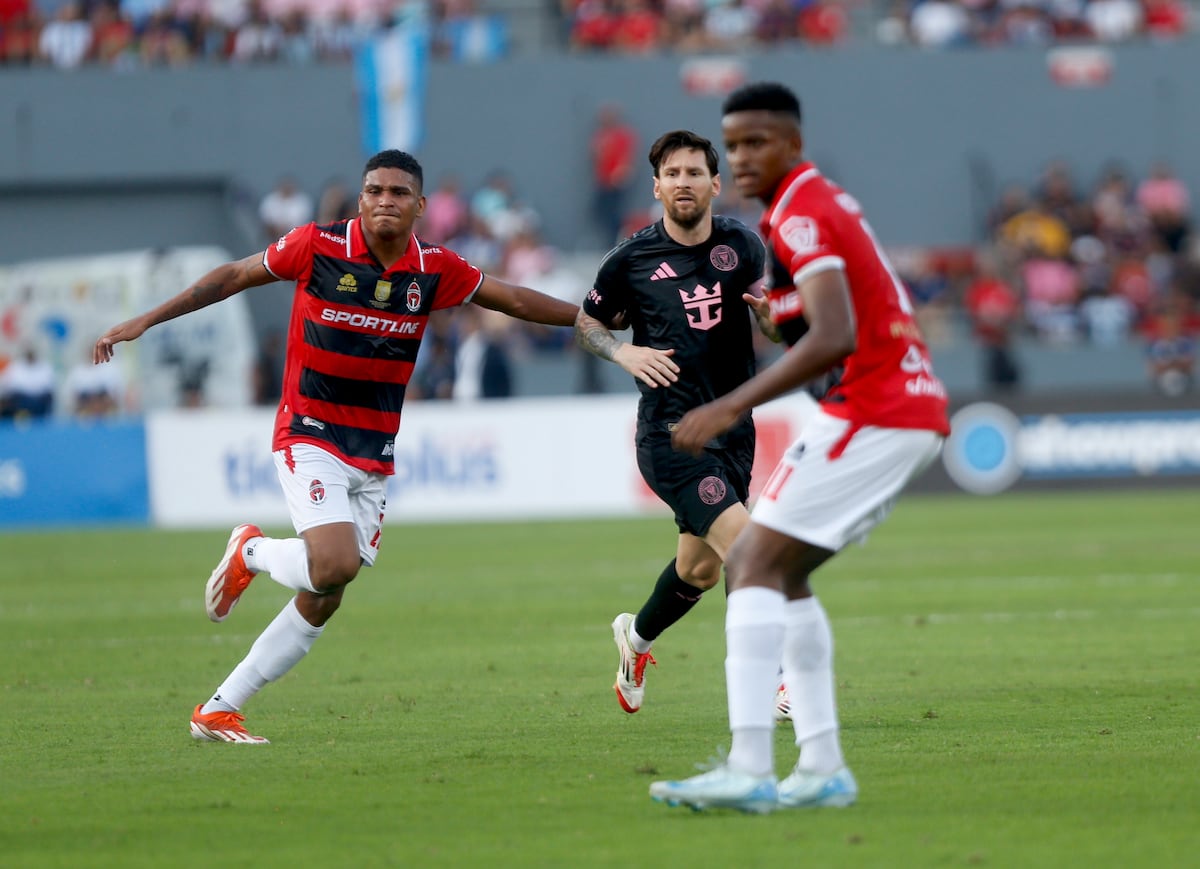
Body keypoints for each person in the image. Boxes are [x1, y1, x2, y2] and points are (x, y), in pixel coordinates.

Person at [93, 149, 579, 744]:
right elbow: (232, 276)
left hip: (372, 449)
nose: (384, 201)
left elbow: (514, 300)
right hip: (309, 427)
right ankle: (250, 553)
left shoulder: (435, 268)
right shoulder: (316, 246)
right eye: (374, 190)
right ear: (360, 199)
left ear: (420, 207)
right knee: (334, 564)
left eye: (399, 192)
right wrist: (146, 319)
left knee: (326, 596)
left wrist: (592, 320)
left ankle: (219, 708)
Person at [648, 82, 950, 813]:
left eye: (758, 143)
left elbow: (837, 334)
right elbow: (812, 321)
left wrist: (730, 403)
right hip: (895, 405)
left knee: (749, 559)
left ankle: (750, 765)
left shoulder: (804, 209)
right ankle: (821, 766)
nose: (744, 157)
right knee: (784, 573)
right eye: (736, 143)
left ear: (792, 144)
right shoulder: (800, 209)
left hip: (874, 409)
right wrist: (778, 316)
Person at [575, 129, 782, 716]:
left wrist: (770, 320)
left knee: (699, 568)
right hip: (671, 436)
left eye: (695, 173)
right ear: (657, 187)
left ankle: (634, 639)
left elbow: (771, 329)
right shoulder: (629, 259)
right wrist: (622, 351)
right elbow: (586, 323)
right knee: (750, 550)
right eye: (673, 174)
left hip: (734, 431)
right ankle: (777, 681)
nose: (683, 183)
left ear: (715, 184)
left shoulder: (743, 247)